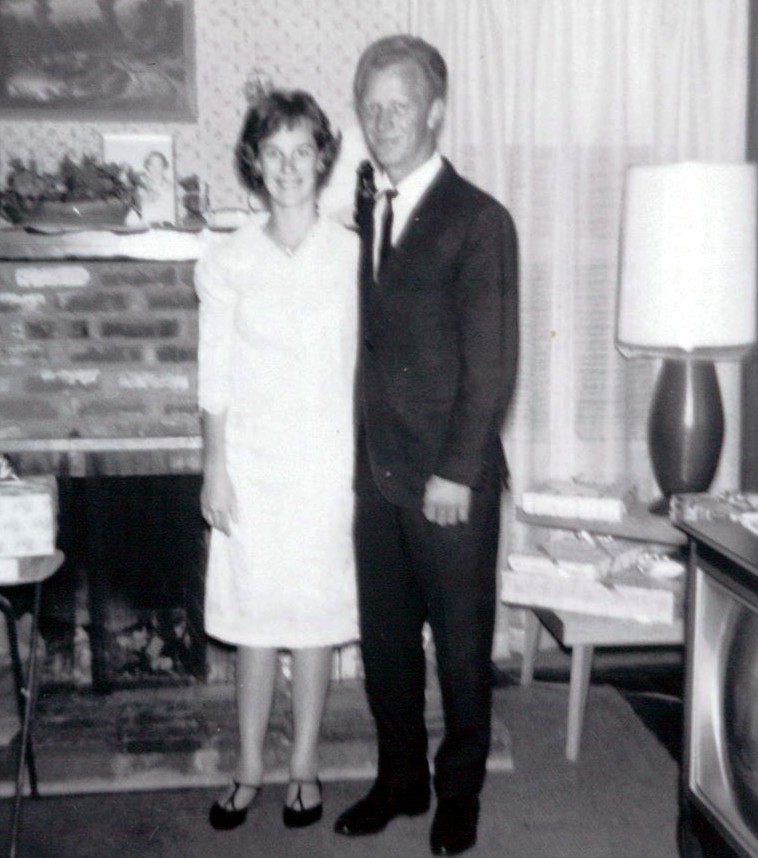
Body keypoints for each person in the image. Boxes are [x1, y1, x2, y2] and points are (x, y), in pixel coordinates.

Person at [333, 35, 519, 856]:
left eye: (399, 106)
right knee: (385, 647)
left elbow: (493, 364)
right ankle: (401, 778)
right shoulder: (371, 208)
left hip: (449, 481)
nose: (382, 122)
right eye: (371, 108)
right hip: (378, 477)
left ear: (436, 111)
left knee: (461, 646)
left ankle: (459, 793)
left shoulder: (479, 219)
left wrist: (455, 470)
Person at [194, 89, 359, 832]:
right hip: (253, 467)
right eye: (273, 153)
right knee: (255, 618)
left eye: (302, 152)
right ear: (253, 163)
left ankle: (303, 767)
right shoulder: (228, 259)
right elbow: (214, 374)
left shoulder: (353, 254)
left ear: (322, 159)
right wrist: (215, 466)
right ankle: (249, 768)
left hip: (329, 464)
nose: (288, 167)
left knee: (314, 618)